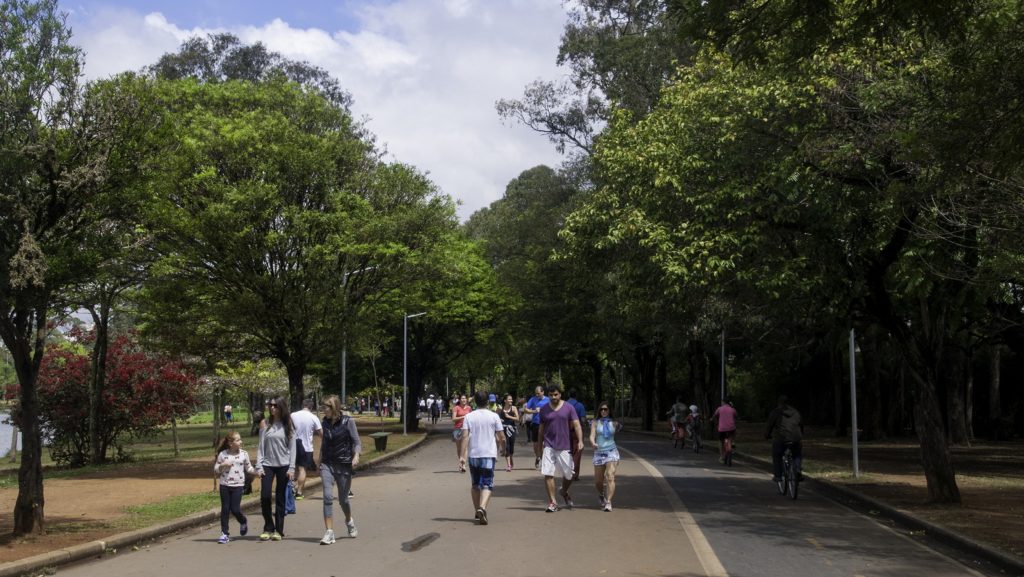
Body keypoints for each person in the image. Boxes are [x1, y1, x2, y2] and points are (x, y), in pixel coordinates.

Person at [316, 395, 361, 544]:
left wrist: (356, 456)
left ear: (334, 408)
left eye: (326, 407)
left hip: (343, 464)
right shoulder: (325, 423)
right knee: (328, 496)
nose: (323, 410)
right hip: (327, 464)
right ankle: (329, 532)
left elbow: (356, 442)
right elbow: (324, 443)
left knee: (343, 500)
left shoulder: (348, 422)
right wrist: (319, 459)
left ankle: (349, 520)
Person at [458, 390, 507, 525]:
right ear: (487, 402)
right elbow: (501, 436)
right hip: (488, 454)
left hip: (474, 454)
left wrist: (462, 456)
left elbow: (465, 436)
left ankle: (477, 510)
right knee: (487, 483)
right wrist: (503, 449)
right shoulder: (494, 416)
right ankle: (482, 507)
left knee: (475, 484)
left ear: (475, 402)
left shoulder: (469, 417)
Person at [256, 396, 295, 541]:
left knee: (280, 497)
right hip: (267, 464)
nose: (272, 408)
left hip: (283, 465)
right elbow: (261, 447)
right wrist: (259, 466)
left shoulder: (288, 424)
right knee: (265, 496)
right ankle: (268, 527)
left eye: (275, 405)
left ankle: (279, 530)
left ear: (281, 407)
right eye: (270, 405)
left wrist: (291, 468)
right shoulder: (265, 424)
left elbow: (293, 448)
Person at [538, 384, 583, 512]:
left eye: (556, 394)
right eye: (551, 395)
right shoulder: (544, 409)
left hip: (564, 446)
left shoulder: (569, 408)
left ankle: (563, 491)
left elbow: (577, 425)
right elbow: (541, 430)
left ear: (560, 394)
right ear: (548, 395)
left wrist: (580, 440)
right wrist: (538, 449)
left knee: (569, 475)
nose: (553, 397)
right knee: (548, 473)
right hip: (549, 445)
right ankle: (553, 502)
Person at [213, 431, 255, 543]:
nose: (241, 441)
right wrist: (222, 465)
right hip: (225, 485)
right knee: (225, 509)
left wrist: (257, 472)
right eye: (238, 440)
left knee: (235, 509)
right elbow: (216, 469)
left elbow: (249, 468)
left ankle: (243, 521)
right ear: (231, 443)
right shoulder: (223, 454)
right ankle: (224, 534)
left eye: (240, 439)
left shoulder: (244, 454)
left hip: (238, 485)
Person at [589, 402, 621, 512]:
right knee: (598, 481)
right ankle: (601, 495)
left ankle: (608, 502)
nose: (603, 411)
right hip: (598, 452)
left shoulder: (615, 423)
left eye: (606, 409)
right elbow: (592, 435)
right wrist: (593, 443)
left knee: (610, 476)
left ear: (609, 410)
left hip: (611, 452)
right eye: (601, 409)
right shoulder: (595, 423)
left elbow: (618, 430)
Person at [765, 395, 803, 482]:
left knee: (777, 454)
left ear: (779, 403)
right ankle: (797, 470)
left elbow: (770, 425)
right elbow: (801, 425)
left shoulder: (776, 412)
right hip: (796, 438)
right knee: (797, 454)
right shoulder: (796, 412)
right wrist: (801, 435)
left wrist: (767, 435)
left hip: (781, 438)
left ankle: (778, 475)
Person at [290, 398, 323, 500]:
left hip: (292, 445)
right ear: (311, 407)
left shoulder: (292, 415)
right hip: (306, 447)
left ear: (302, 405)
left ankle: (291, 486)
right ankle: (299, 492)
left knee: (292, 467)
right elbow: (321, 434)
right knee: (302, 469)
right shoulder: (314, 418)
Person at [522, 386, 549, 469]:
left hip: (547, 424)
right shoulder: (533, 399)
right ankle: (538, 457)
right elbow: (525, 409)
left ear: (543, 392)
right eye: (536, 393)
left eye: (538, 393)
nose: (537, 395)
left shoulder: (548, 400)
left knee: (545, 444)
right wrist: (534, 411)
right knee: (536, 444)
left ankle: (543, 460)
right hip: (536, 424)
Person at [566, 389, 587, 489]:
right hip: (577, 431)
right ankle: (575, 474)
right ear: (576, 396)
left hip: (565, 431)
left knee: (567, 452)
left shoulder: (564, 405)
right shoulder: (580, 405)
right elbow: (582, 419)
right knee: (577, 453)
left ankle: (567, 472)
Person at [711, 399, 738, 464]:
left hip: (722, 429)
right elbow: (736, 416)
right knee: (732, 434)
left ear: (723, 402)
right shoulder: (732, 409)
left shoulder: (719, 409)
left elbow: (715, 415)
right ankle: (733, 442)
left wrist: (712, 419)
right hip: (731, 428)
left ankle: (721, 456)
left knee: (721, 441)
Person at [451, 394, 472, 472]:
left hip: (466, 429)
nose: (464, 400)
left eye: (465, 398)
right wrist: (463, 417)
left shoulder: (469, 408)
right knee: (459, 448)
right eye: (462, 398)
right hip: (457, 429)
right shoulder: (456, 408)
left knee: (465, 447)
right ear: (459, 400)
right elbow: (453, 419)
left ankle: (463, 464)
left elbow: (471, 418)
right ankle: (460, 461)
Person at [499, 394, 519, 472]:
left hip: (511, 429)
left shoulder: (513, 408)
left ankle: (511, 458)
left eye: (511, 399)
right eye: (509, 399)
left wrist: (509, 416)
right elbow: (497, 418)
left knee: (511, 447)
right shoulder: (500, 409)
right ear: (505, 400)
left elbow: (517, 419)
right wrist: (500, 420)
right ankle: (508, 465)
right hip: (503, 429)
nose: (511, 401)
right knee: (506, 446)